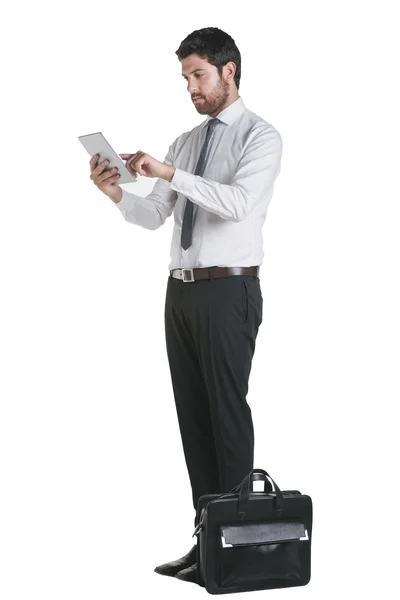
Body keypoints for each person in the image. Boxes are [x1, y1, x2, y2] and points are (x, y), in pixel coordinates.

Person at [89, 27, 283, 584]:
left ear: (229, 71)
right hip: (182, 290)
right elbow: (156, 217)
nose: (191, 88)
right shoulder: (186, 141)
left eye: (198, 75)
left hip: (229, 290)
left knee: (227, 415)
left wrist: (171, 173)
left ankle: (243, 549)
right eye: (185, 78)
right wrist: (118, 193)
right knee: (194, 419)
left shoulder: (260, 137)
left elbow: (239, 204)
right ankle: (207, 547)